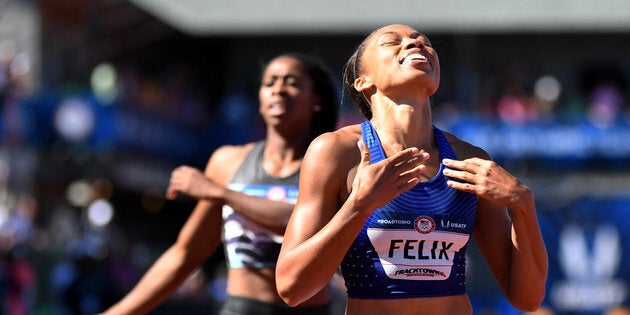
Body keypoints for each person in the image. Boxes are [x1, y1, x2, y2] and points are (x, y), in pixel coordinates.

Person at [275, 24, 548, 315]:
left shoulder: (469, 160)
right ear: (363, 81)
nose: (415, 44)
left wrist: (523, 203)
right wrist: (359, 205)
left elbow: (527, 299)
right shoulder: (337, 152)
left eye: (424, 42)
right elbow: (292, 288)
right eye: (392, 42)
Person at [100, 52, 339, 315]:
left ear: (317, 100)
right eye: (269, 83)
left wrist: (220, 193)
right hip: (242, 308)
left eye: (292, 82)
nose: (278, 89)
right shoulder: (228, 163)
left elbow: (308, 224)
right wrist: (120, 312)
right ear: (259, 99)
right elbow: (185, 255)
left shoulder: (331, 163)